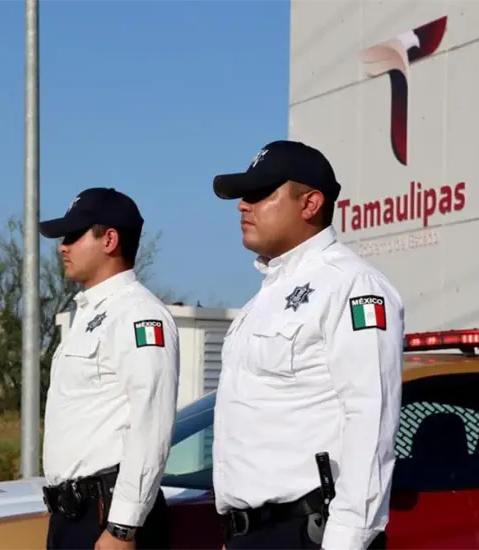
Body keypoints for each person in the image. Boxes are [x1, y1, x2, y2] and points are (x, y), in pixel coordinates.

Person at [210, 140, 404, 550]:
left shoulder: (352, 285)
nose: (244, 205)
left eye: (261, 194)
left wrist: (348, 540)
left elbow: (371, 417)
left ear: (311, 203)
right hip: (254, 534)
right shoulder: (265, 297)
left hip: (308, 533)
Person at [39, 187, 179, 550]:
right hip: (75, 514)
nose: (62, 247)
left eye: (73, 235)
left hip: (107, 515)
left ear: (110, 239)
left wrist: (122, 528)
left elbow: (151, 425)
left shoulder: (139, 315)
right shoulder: (88, 314)